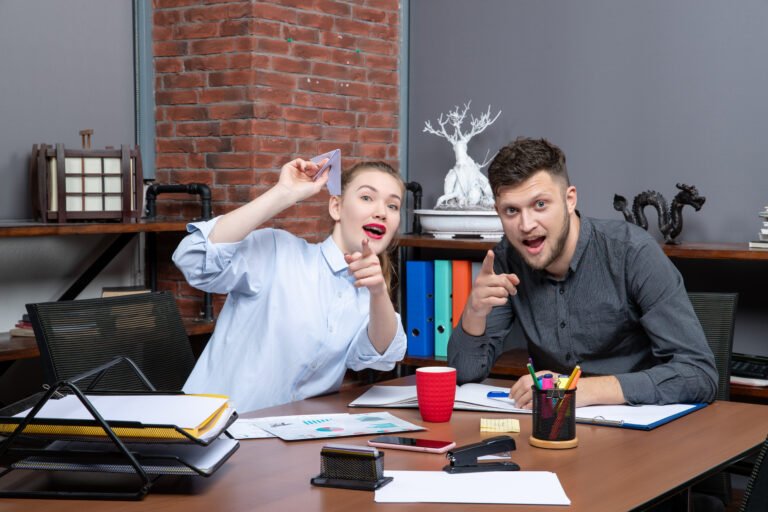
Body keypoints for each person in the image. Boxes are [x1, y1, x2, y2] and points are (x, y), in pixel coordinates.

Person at [447, 137, 717, 409]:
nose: (526, 225)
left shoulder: (633, 253)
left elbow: (700, 375)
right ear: (498, 212)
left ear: (569, 200)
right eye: (511, 211)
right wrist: (474, 312)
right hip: (554, 429)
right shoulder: (506, 259)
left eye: (540, 205)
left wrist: (575, 389)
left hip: (641, 430)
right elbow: (464, 374)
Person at [173, 158, 407, 413]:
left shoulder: (367, 298)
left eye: (393, 205)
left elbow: (382, 356)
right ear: (336, 207)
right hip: (216, 431)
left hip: (293, 439)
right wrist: (283, 193)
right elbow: (192, 257)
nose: (381, 212)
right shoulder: (279, 252)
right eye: (366, 198)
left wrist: (378, 291)